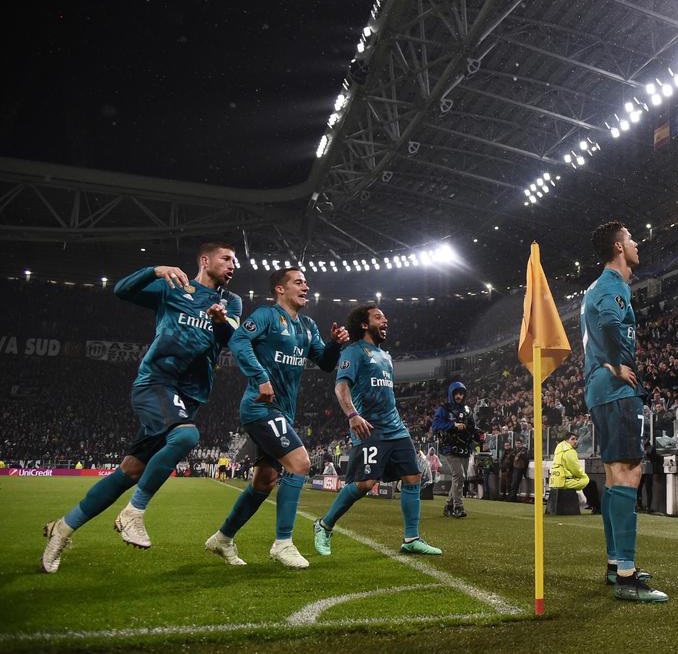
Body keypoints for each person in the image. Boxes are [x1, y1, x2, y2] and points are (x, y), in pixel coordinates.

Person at [42, 243, 241, 573]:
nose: (233, 265)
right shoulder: (172, 287)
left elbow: (230, 336)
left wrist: (222, 321)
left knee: (130, 471)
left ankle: (62, 529)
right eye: (227, 258)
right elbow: (122, 290)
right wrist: (154, 270)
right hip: (157, 382)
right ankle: (133, 513)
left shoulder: (231, 301)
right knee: (187, 437)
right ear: (205, 260)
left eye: (235, 260)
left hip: (190, 395)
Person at [204, 267, 346, 568]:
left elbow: (325, 362)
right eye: (298, 282)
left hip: (282, 412)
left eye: (306, 282)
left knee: (265, 481)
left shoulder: (307, 326)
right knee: (301, 463)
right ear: (280, 289)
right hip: (259, 408)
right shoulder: (266, 317)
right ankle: (283, 543)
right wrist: (261, 377)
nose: (305, 286)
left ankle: (222, 538)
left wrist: (335, 343)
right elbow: (239, 341)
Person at [312, 305, 440, 557]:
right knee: (364, 483)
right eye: (378, 317)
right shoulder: (353, 351)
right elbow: (341, 388)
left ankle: (411, 539)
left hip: (396, 428)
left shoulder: (386, 357)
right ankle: (324, 525)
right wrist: (352, 415)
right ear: (363, 324)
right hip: (369, 429)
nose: (386, 320)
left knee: (413, 478)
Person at [582, 221, 665, 602]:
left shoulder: (598, 287)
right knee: (630, 470)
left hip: (600, 390)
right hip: (615, 388)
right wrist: (616, 365)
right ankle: (629, 577)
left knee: (616, 474)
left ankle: (618, 566)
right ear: (618, 247)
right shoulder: (612, 285)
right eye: (630, 238)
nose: (636, 244)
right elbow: (610, 323)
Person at [432, 382, 476, 518]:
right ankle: (458, 506)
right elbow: (436, 425)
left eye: (461, 393)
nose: (459, 396)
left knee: (458, 478)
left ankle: (448, 505)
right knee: (459, 476)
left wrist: (479, 434)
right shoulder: (444, 409)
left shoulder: (468, 410)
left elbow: (472, 427)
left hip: (465, 447)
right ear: (452, 394)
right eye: (456, 393)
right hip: (450, 448)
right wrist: (453, 425)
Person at [548, 432, 601, 514]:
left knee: (587, 483)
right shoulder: (569, 451)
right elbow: (575, 469)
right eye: (573, 439)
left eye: (576, 439)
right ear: (567, 441)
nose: (575, 441)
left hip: (555, 481)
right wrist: (584, 476)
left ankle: (591, 505)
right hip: (564, 482)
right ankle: (597, 508)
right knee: (589, 483)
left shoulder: (559, 449)